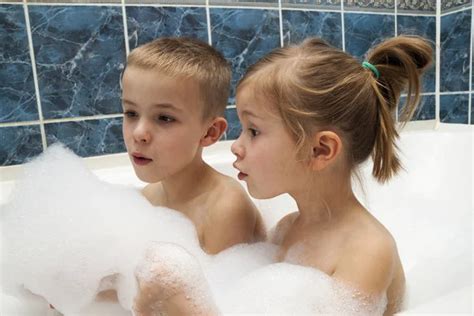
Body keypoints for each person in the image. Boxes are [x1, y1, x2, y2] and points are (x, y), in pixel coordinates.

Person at [230, 35, 432, 315]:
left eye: (253, 131)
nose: (236, 146)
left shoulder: (367, 251)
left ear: (320, 150)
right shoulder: (286, 228)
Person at [101, 37, 265, 313]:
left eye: (164, 118)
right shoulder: (149, 195)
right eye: (130, 112)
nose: (139, 133)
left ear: (210, 133)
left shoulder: (225, 208)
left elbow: (217, 306)